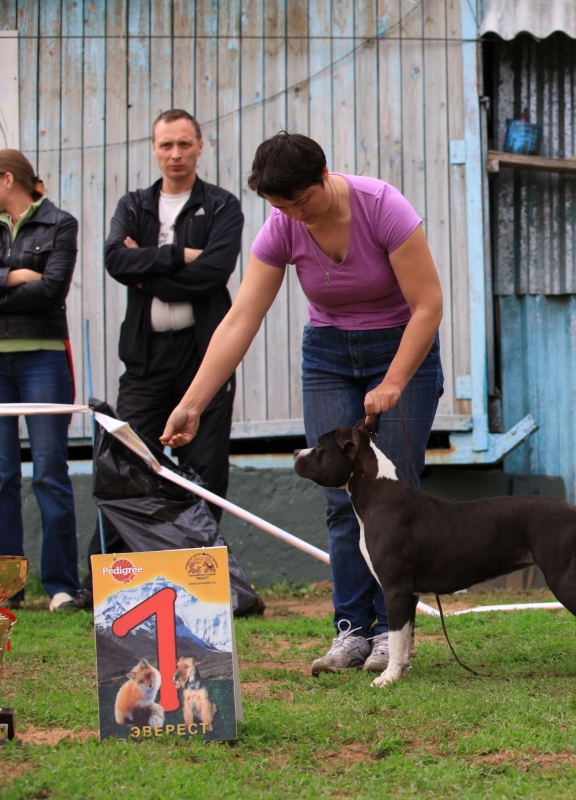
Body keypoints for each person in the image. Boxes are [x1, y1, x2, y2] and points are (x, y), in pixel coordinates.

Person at [160, 132, 444, 677]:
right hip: (329, 356)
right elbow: (241, 319)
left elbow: (428, 304)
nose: (295, 215)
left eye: (301, 201)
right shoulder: (282, 228)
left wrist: (394, 380)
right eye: (280, 207)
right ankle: (352, 631)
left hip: (400, 346)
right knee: (340, 497)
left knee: (393, 499)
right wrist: (193, 402)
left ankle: (392, 635)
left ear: (324, 175)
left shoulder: (383, 206)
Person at [103, 108, 245, 519]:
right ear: (154, 149)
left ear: (200, 147)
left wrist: (145, 275)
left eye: (185, 143)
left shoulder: (221, 205)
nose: (176, 153)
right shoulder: (133, 206)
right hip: (145, 360)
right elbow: (115, 259)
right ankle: (116, 573)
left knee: (205, 470)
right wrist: (178, 255)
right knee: (129, 462)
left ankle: (201, 572)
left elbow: (214, 271)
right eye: (166, 144)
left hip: (205, 359)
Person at [0, 150, 81, 610]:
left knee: (50, 471)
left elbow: (52, 289)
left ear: (8, 179)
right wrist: (14, 276)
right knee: (0, 474)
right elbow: (34, 285)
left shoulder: (59, 223)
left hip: (44, 360)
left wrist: (3, 286)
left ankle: (60, 586)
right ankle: (6, 588)